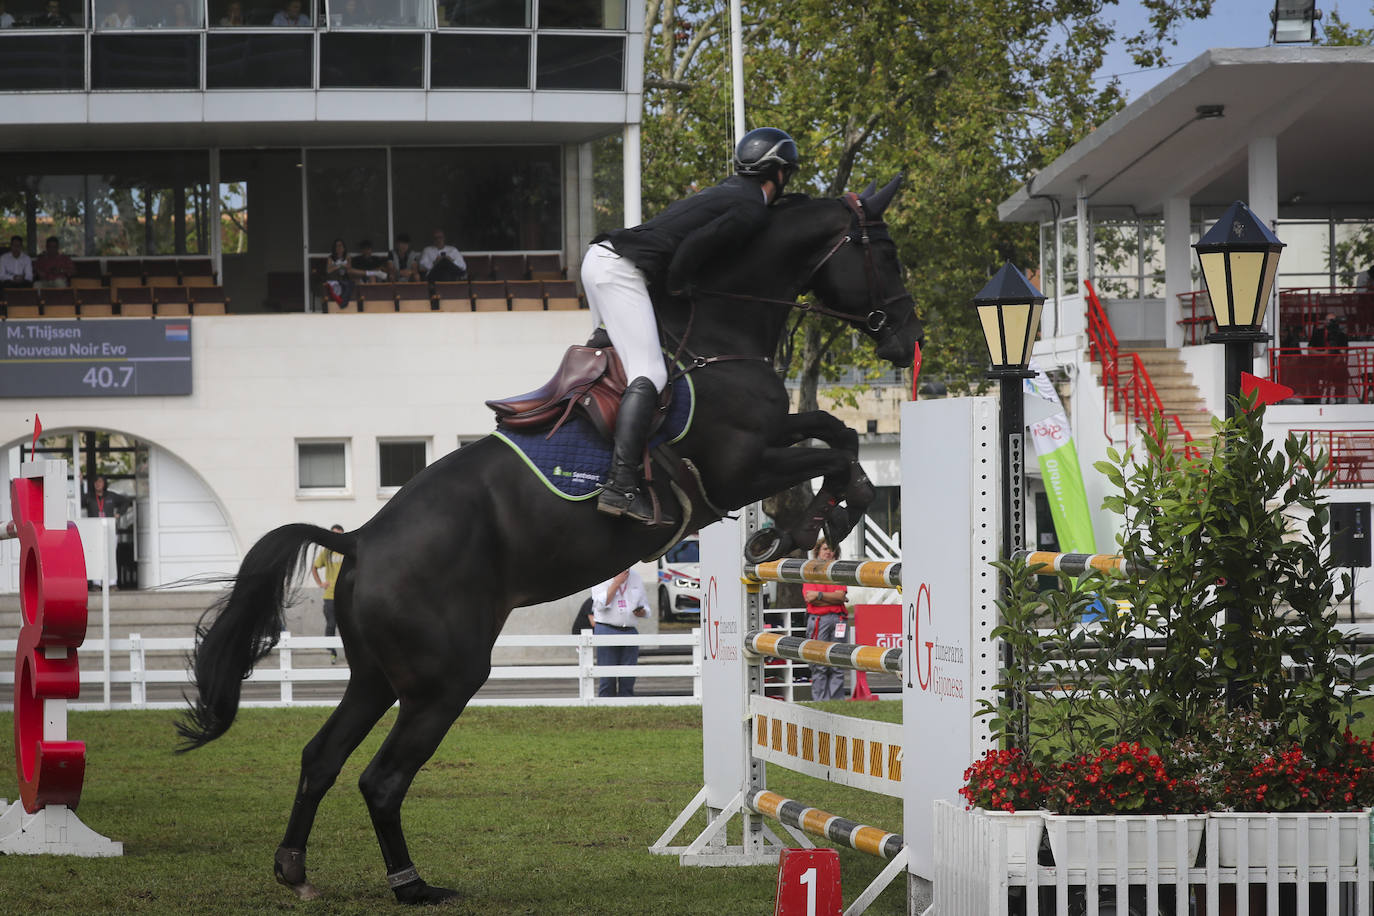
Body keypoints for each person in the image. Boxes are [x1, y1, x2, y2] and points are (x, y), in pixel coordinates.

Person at [582, 126, 799, 526]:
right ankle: (621, 485)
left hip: (602, 259)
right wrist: (680, 288)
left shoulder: (727, 192)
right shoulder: (750, 208)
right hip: (620, 270)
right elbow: (691, 251)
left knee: (620, 359)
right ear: (781, 173)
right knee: (650, 371)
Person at [802, 538, 850, 701]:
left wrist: (820, 596)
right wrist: (834, 598)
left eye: (832, 549)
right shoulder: (811, 571)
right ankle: (820, 702)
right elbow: (810, 598)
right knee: (819, 664)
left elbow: (840, 596)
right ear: (817, 552)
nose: (829, 552)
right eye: (825, 548)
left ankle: (836, 703)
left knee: (837, 662)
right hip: (818, 621)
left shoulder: (839, 571)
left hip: (839, 620)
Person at [590, 567, 649, 697]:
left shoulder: (636, 576)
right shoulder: (600, 575)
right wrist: (616, 583)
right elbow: (599, 606)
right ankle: (605, 707)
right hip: (606, 629)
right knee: (607, 679)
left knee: (628, 678)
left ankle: (627, 708)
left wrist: (642, 611)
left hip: (630, 629)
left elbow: (645, 606)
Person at [311, 524, 346, 662]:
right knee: (331, 624)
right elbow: (314, 567)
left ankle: (352, 654)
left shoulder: (346, 551)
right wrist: (320, 583)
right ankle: (332, 653)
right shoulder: (326, 552)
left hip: (345, 596)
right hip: (330, 596)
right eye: (333, 534)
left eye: (338, 534)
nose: (335, 537)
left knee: (348, 626)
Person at [322, 238, 354, 307]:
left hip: (344, 278)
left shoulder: (347, 257)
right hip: (334, 279)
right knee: (337, 288)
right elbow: (328, 270)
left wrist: (340, 266)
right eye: (337, 246)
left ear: (344, 247)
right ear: (334, 248)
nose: (339, 248)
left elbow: (349, 268)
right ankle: (341, 304)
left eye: (340, 245)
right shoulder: (331, 258)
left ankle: (343, 303)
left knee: (350, 284)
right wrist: (339, 265)